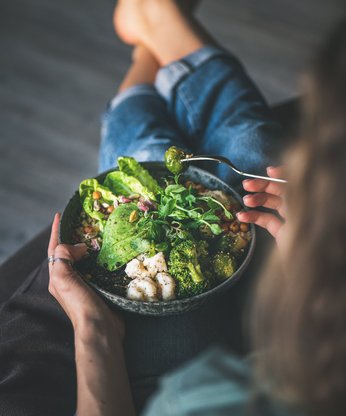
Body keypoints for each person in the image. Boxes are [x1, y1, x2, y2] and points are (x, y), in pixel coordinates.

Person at [2, 1, 344, 416]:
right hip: (305, 314)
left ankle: (150, 36)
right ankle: (155, 24)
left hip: (217, 342)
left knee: (147, 153)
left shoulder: (190, 402)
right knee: (251, 148)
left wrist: (93, 329)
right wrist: (317, 260)